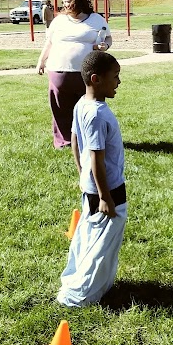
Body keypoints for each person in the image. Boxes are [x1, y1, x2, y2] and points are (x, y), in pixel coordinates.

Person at [57, 51, 127, 307]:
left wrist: (80, 172)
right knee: (100, 247)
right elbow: (97, 158)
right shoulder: (97, 114)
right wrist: (106, 197)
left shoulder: (81, 104)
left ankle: (87, 284)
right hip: (108, 192)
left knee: (88, 238)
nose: (119, 82)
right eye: (115, 77)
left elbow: (75, 140)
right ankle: (79, 295)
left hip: (92, 187)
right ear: (96, 79)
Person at [35, 0, 112, 149]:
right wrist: (41, 61)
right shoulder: (59, 21)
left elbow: (108, 38)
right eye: (64, 2)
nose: (66, 5)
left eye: (69, 1)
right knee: (60, 107)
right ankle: (64, 141)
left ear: (78, 1)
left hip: (87, 73)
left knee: (88, 107)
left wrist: (105, 46)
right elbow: (49, 42)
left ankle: (90, 138)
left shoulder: (96, 19)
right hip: (58, 70)